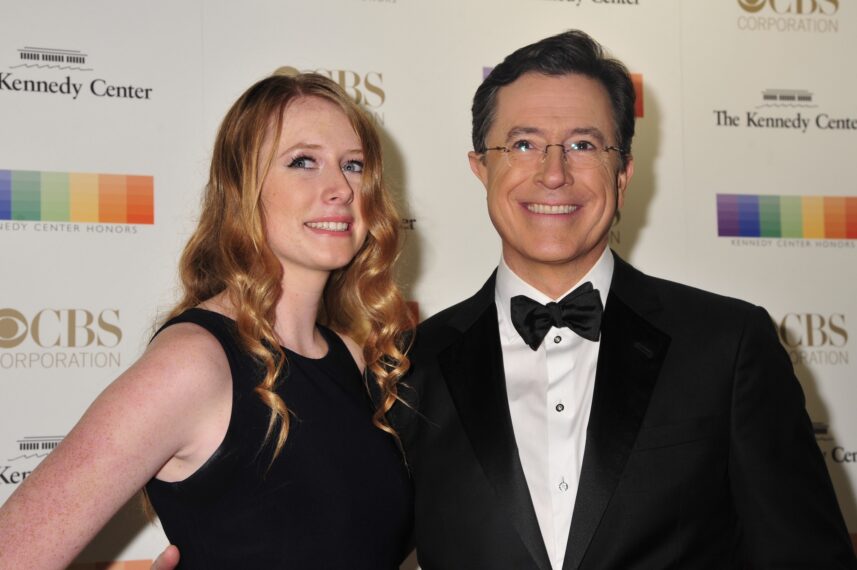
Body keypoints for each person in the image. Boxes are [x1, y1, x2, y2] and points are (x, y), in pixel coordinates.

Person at [390, 30, 857, 569]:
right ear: (481, 168)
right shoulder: (406, 366)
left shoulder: (728, 348)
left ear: (624, 172)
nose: (554, 173)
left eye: (584, 145)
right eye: (523, 144)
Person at [0, 72, 414, 569]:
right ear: (242, 189)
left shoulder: (349, 355)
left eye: (354, 165)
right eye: (302, 161)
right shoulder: (196, 362)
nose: (341, 188)